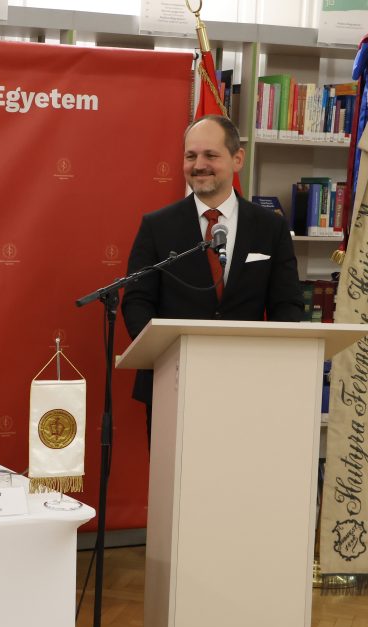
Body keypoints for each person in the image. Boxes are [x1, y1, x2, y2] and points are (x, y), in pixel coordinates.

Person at [121, 115, 303, 440]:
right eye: (191, 156)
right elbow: (137, 301)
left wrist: (270, 364)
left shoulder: (270, 228)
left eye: (210, 155)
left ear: (237, 159)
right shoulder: (157, 226)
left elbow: (287, 305)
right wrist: (165, 358)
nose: (199, 165)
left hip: (250, 386)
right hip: (172, 384)